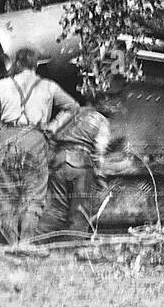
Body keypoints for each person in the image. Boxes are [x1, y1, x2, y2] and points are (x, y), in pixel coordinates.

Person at [0, 47, 78, 240]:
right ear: (35, 64)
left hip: (7, 139)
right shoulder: (48, 86)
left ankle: (11, 244)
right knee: (34, 196)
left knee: (7, 194)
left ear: (16, 64)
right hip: (34, 139)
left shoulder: (3, 85)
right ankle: (25, 244)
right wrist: (54, 126)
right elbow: (73, 106)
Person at [39, 99, 113, 236]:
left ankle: (36, 242)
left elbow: (50, 134)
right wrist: (101, 176)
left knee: (56, 208)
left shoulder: (66, 113)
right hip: (81, 163)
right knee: (80, 210)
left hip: (58, 162)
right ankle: (75, 248)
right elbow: (99, 152)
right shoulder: (101, 120)